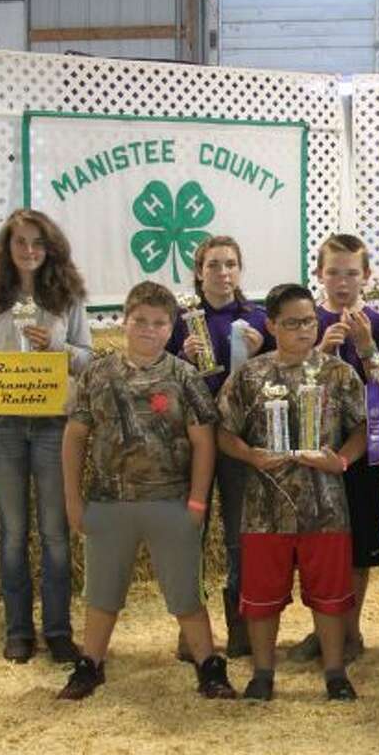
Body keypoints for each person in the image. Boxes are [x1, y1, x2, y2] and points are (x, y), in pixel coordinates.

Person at [57, 281, 235, 700]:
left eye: (158, 323)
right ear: (125, 319)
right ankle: (90, 664)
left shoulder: (184, 376)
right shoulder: (98, 373)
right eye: (140, 320)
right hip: (109, 500)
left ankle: (209, 664)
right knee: (102, 592)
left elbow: (203, 441)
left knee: (185, 593)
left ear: (170, 327)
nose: (148, 330)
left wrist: (197, 500)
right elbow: (74, 437)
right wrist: (72, 499)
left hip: (170, 501)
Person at [216, 284, 367, 702]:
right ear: (272, 325)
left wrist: (342, 460)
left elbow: (364, 426)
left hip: (326, 505)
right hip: (265, 508)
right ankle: (263, 674)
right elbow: (223, 431)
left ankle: (335, 673)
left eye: (309, 321)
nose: (303, 330)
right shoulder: (250, 375)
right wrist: (251, 455)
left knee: (331, 595)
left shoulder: (338, 373)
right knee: (262, 597)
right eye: (292, 323)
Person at [0, 209, 91, 665]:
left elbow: (88, 361)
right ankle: (18, 631)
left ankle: (57, 630)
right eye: (21, 243)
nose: (30, 250)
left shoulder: (68, 300)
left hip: (53, 425)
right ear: (8, 249)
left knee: (56, 534)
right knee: (13, 533)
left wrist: (55, 347)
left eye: (38, 242)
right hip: (4, 427)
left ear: (50, 247)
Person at [286, 233, 379, 666]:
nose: (343, 282)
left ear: (366, 276)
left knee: (360, 543)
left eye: (352, 273)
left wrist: (367, 348)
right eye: (334, 272)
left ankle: (351, 631)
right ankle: (323, 628)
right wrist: (319, 352)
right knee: (319, 544)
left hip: (364, 448)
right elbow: (284, 380)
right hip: (315, 446)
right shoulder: (305, 321)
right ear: (319, 275)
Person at [166, 235, 273, 660]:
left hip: (237, 436)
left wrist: (263, 354)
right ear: (199, 271)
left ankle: (242, 625)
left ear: (240, 270)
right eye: (214, 265)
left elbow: (274, 380)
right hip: (190, 436)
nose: (223, 272)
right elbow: (161, 375)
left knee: (238, 534)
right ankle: (191, 630)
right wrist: (180, 353)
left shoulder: (258, 320)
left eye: (230, 264)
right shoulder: (180, 319)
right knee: (190, 532)